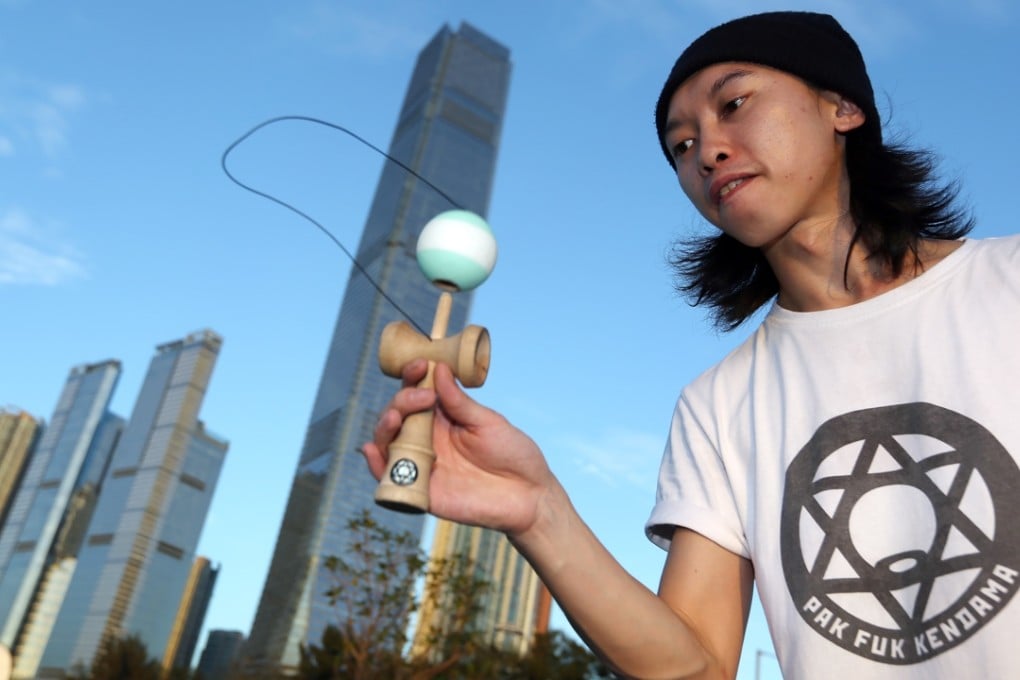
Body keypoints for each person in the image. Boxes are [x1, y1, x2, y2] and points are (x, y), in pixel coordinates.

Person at [364, 11, 1020, 679]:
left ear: (842, 106)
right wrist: (537, 513)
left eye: (734, 104)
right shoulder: (719, 403)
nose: (706, 151)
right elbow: (696, 666)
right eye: (681, 146)